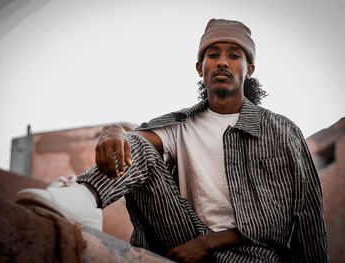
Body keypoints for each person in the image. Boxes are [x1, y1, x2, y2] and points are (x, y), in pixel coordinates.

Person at [16, 19, 328, 262]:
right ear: (200, 68)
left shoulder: (281, 130)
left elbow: (292, 217)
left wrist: (205, 244)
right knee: (136, 143)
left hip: (252, 255)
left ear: (249, 70)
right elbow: (134, 142)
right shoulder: (180, 124)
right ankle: (85, 199)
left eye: (234, 56)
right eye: (212, 54)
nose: (222, 62)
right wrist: (113, 130)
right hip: (181, 238)